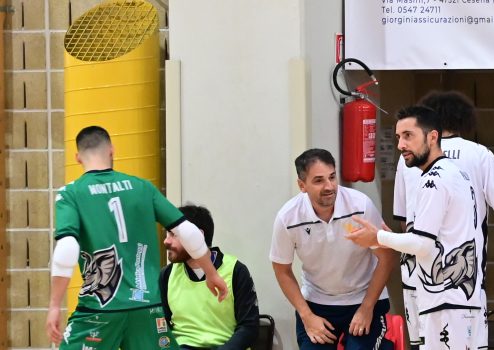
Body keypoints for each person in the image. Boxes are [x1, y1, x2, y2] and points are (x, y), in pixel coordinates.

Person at [46, 126, 227, 350]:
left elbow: (67, 246)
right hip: (146, 307)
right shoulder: (143, 187)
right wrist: (211, 273)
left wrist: (55, 305)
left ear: (77, 158)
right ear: (112, 150)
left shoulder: (71, 193)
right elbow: (188, 231)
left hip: (100, 308)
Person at [392, 91, 494, 347]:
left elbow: (404, 221)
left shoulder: (408, 160)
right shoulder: (479, 154)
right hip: (461, 281)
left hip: (417, 277)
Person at [346, 106, 488, 350]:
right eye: (398, 137)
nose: (401, 145)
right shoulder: (456, 174)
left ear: (432, 137)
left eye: (408, 136)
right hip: (463, 301)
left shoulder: (434, 180)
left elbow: (422, 244)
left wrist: (378, 237)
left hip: (447, 303)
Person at [271, 149, 396, 350]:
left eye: (332, 177)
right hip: (317, 304)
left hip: (364, 299)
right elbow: (281, 270)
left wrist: (366, 308)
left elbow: (387, 257)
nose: (329, 186)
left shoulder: (360, 206)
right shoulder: (288, 218)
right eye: (319, 180)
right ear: (302, 186)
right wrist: (307, 316)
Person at [162, 205, 261, 350]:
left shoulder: (236, 270)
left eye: (173, 234)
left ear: (198, 236)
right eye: (166, 234)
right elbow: (160, 325)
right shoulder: (167, 274)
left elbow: (249, 327)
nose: (166, 241)